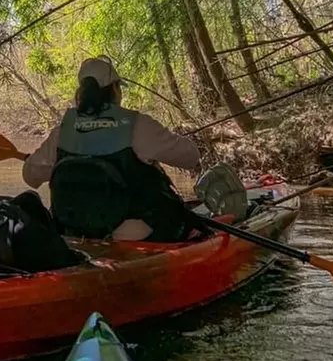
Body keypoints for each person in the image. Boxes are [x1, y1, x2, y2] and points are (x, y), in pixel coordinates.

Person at [22, 56, 202, 242]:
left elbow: (29, 175)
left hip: (73, 230)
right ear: (115, 89)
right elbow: (191, 157)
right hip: (135, 232)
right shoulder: (138, 125)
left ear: (81, 92)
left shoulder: (62, 131)